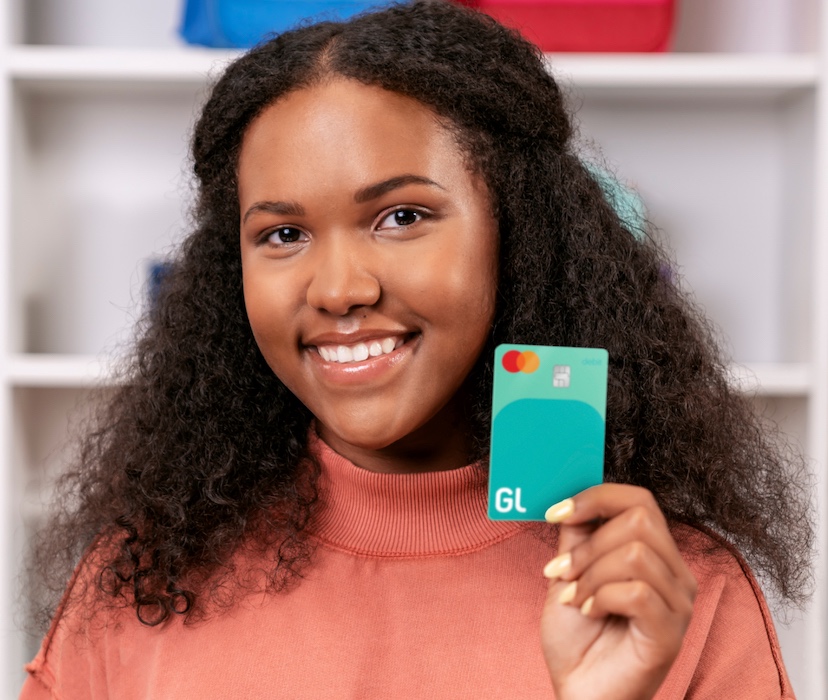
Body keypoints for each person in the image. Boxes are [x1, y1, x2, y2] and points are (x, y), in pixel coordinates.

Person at [20, 1, 812, 698]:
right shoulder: (142, 578)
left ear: (519, 234)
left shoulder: (669, 592)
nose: (339, 289)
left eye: (401, 217)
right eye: (283, 234)